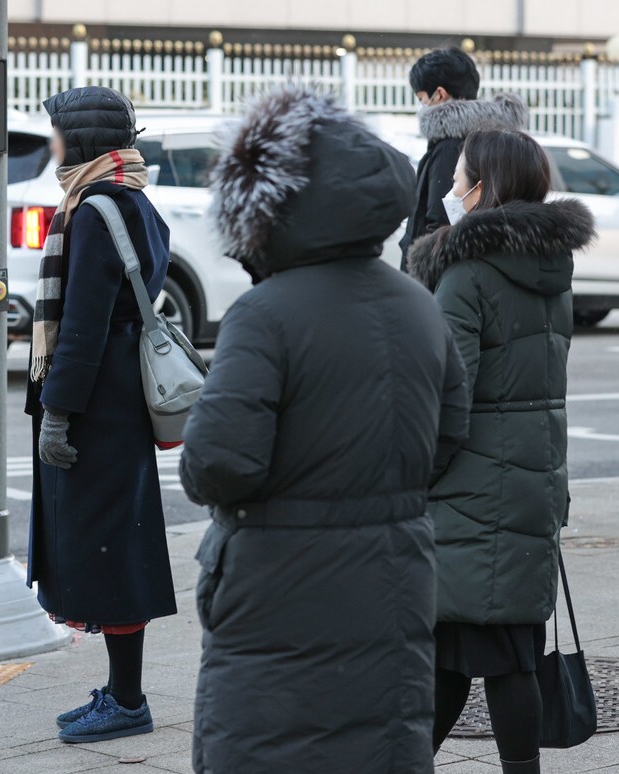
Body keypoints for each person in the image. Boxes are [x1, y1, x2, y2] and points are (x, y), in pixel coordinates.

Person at [179, 85, 471, 774]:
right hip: (395, 569)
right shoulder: (416, 304)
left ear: (264, 208)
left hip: (278, 581)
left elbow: (219, 464)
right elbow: (451, 430)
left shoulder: (264, 313)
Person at [407, 130, 596, 773]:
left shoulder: (464, 273)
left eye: (458, 177)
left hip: (469, 490)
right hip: (530, 484)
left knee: (449, 658)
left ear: (483, 188)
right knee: (508, 652)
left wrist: (413, 479)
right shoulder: (551, 269)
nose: (448, 190)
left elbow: (446, 400)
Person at [24, 85, 177, 745]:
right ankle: (120, 691)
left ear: (81, 140)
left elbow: (83, 325)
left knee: (105, 553)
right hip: (120, 401)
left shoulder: (93, 209)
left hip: (97, 407)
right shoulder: (135, 199)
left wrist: (58, 413)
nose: (54, 143)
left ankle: (128, 701)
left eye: (59, 133)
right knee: (116, 545)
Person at [399, 47, 528, 269]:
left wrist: (421, 271)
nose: (420, 106)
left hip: (438, 274)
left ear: (439, 94)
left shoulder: (449, 146)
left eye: (421, 98)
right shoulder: (494, 140)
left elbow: (438, 221)